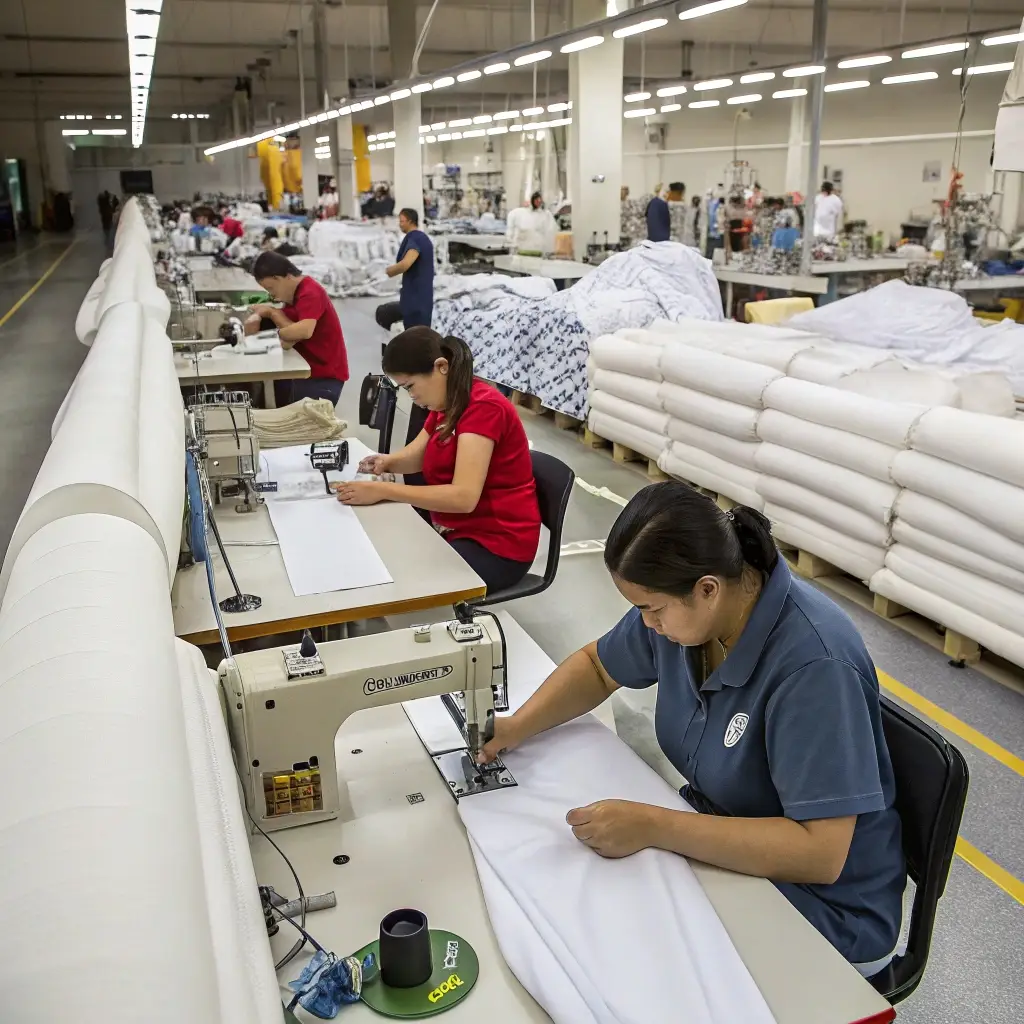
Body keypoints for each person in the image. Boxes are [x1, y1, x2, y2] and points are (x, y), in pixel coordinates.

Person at [476, 481, 906, 977]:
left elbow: (819, 853)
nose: (647, 624)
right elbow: (600, 666)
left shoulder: (813, 668)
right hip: (720, 834)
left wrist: (656, 826)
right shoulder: (695, 617)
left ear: (708, 588)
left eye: (653, 610)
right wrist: (517, 726)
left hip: (824, 909)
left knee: (626, 960)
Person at [333, 327, 541, 592]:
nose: (412, 397)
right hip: (460, 529)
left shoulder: (483, 408)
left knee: (402, 578)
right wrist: (387, 462)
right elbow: (418, 456)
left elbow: (463, 498)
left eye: (410, 387)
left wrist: (383, 489)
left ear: (441, 366)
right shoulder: (447, 403)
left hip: (497, 546)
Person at [246, 250, 349, 405]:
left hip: (322, 376)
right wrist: (272, 315)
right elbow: (289, 339)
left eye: (271, 288)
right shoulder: (291, 297)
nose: (272, 295)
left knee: (302, 426)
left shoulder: (310, 292)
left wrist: (274, 324)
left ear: (281, 278)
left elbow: (304, 331)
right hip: (304, 370)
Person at [375, 207, 435, 335]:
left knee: (384, 314)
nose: (400, 224)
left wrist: (387, 271)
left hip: (415, 299)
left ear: (410, 221)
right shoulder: (421, 238)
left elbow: (405, 264)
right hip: (419, 297)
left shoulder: (416, 238)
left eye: (402, 221)